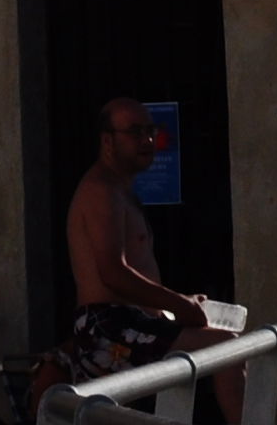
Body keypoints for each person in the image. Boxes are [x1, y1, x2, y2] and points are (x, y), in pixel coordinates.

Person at [60, 102, 241, 416]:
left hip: (132, 321)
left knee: (220, 347)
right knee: (227, 347)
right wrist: (179, 306)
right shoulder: (100, 191)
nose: (146, 141)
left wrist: (178, 302)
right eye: (134, 132)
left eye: (150, 131)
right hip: (107, 327)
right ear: (107, 140)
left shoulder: (121, 190)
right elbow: (113, 273)